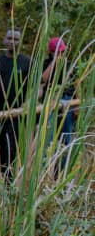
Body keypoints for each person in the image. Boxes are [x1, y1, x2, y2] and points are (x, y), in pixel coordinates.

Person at [0, 28, 32, 174]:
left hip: (17, 115)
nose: (12, 42)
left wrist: (29, 102)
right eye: (10, 38)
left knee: (10, 149)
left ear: (20, 42)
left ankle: (8, 185)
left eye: (16, 39)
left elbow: (37, 86)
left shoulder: (27, 62)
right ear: (4, 40)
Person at [42, 37, 77, 165]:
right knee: (48, 136)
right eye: (58, 52)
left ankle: (62, 168)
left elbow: (77, 84)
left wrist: (78, 105)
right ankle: (47, 167)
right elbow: (42, 80)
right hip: (50, 101)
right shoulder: (46, 63)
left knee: (66, 137)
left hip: (68, 101)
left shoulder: (71, 64)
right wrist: (54, 63)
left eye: (62, 52)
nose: (61, 55)